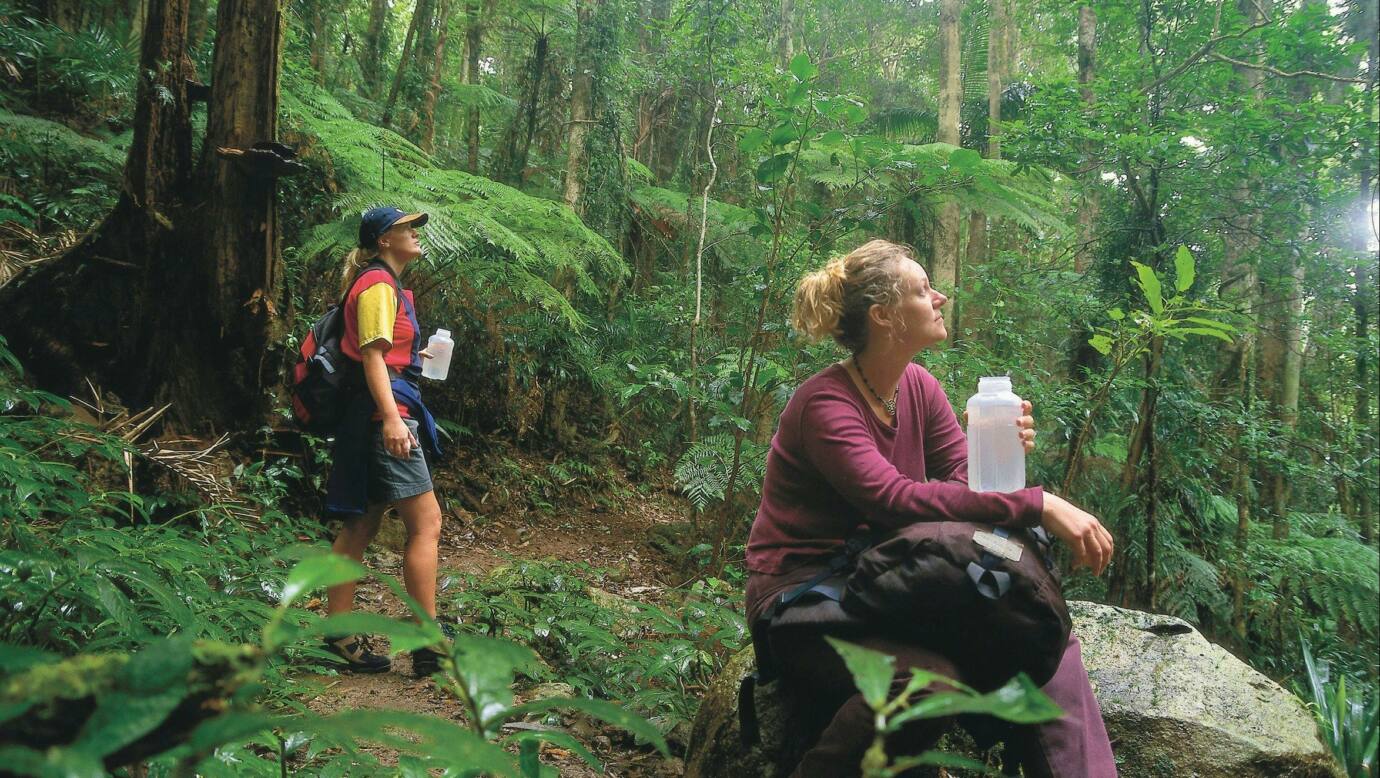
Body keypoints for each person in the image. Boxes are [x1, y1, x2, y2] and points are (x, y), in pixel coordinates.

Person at [745, 239, 1118, 776]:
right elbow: (893, 499)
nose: (940, 297)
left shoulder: (917, 385)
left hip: (888, 579)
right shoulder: (824, 404)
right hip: (805, 596)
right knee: (927, 680)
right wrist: (1039, 505)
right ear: (884, 316)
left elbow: (966, 483)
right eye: (923, 290)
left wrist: (1000, 452)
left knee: (1034, 630)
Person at [320, 206, 447, 677]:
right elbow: (372, 358)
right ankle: (427, 642)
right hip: (384, 418)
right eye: (405, 228)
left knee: (360, 525)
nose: (414, 233)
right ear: (382, 240)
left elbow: (382, 351)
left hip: (374, 415)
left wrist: (418, 353)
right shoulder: (376, 283)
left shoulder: (385, 285)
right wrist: (393, 421)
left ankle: (339, 634)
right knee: (426, 523)